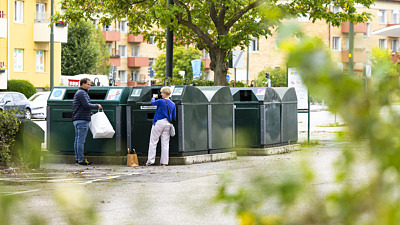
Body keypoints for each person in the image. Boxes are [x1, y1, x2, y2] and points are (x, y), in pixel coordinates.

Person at [72, 78, 102, 165]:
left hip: (78, 119)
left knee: (77, 140)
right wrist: (97, 106)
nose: (90, 86)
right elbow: (86, 105)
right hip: (82, 120)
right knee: (80, 141)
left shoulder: (79, 93)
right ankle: (81, 160)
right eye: (88, 84)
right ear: (83, 84)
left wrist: (91, 114)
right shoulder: (82, 93)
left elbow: (82, 107)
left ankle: (78, 159)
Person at [146, 87, 176, 166]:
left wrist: (154, 97)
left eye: (162, 93)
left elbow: (152, 102)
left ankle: (150, 161)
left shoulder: (161, 101)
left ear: (165, 93)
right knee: (165, 144)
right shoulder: (173, 104)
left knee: (153, 142)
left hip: (159, 122)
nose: (161, 94)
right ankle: (164, 162)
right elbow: (173, 116)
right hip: (167, 124)